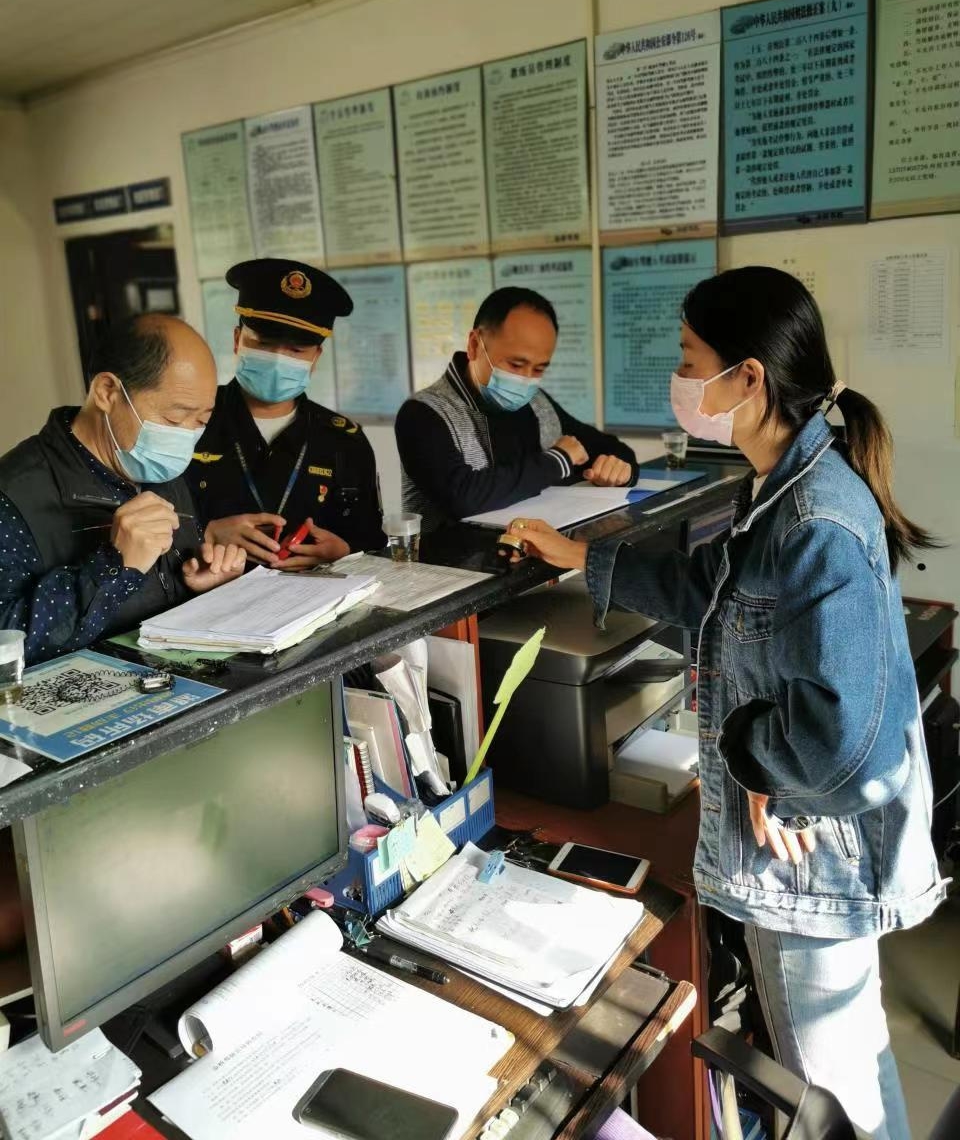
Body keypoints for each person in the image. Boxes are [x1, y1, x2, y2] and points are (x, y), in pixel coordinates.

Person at [505, 267, 945, 1140]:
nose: (678, 377)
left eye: (687, 357)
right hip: (810, 848)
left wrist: (763, 769)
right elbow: (712, 589)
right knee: (844, 1069)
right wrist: (582, 558)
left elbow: (847, 743)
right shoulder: (782, 482)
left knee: (830, 1093)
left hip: (812, 856)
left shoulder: (815, 516)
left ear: (748, 377)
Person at [0, 315, 246, 664]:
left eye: (201, 420)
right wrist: (115, 566)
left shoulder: (160, 469)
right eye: (175, 419)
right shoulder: (14, 497)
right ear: (107, 392)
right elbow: (6, 643)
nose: (186, 437)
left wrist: (205, 589)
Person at [187, 259, 385, 569]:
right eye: (264, 343)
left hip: (315, 595)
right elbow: (148, 521)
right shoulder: (188, 420)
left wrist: (344, 550)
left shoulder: (343, 440)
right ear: (237, 340)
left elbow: (372, 538)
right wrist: (206, 532)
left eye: (296, 351)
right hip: (209, 590)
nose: (278, 360)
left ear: (315, 357)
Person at [395, 287, 638, 529]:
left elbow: (607, 447)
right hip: (450, 553)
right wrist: (557, 460)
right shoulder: (423, 413)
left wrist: (619, 470)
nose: (526, 379)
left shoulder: (536, 402)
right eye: (515, 364)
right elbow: (462, 497)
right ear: (474, 345)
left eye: (539, 369)